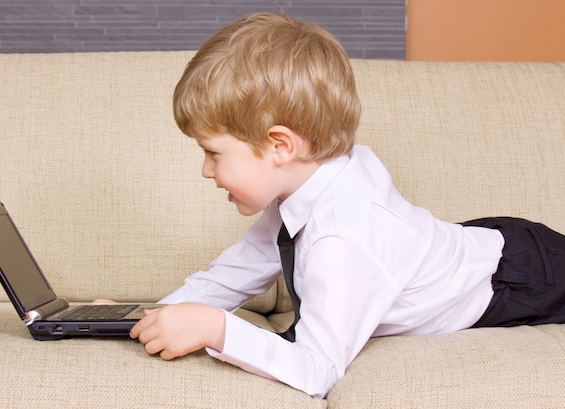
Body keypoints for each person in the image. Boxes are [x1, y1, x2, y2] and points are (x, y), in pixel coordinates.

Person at [97, 12, 565, 398]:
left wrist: (219, 329)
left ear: (280, 146)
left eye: (214, 153)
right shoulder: (304, 186)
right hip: (486, 245)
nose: (205, 170)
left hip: (522, 276)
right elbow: (236, 272)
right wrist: (150, 317)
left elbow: (317, 370)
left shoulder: (342, 234)